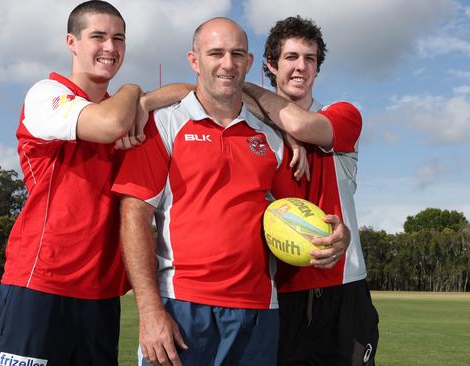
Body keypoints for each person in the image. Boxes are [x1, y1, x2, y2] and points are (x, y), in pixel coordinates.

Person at [112, 17, 347, 366]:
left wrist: (334, 235)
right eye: (215, 53)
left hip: (259, 312)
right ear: (194, 61)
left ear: (249, 64)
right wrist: (149, 310)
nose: (227, 63)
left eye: (237, 54)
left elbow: (294, 213)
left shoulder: (272, 138)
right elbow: (134, 216)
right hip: (183, 307)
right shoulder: (162, 124)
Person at [0, 2, 191, 365]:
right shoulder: (46, 94)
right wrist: (134, 90)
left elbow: (197, 92)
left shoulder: (126, 110)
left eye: (118, 38)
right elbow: (107, 125)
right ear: (72, 42)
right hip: (41, 283)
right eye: (98, 36)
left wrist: (146, 102)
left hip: (101, 294)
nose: (110, 48)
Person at [243, 16, 380, 366]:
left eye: (310, 58)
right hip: (281, 293)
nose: (301, 67)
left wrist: (250, 89)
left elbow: (300, 124)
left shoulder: (342, 115)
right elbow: (197, 92)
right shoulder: (250, 133)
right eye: (290, 57)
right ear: (271, 65)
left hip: (345, 287)